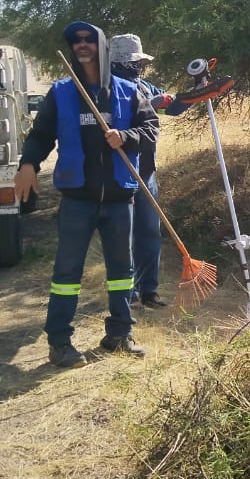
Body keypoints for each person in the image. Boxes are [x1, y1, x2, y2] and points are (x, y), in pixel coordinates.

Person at [13, 21, 159, 368]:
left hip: (119, 199)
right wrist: (29, 163)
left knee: (121, 271)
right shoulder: (62, 92)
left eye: (88, 40)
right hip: (77, 199)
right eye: (76, 40)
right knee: (67, 272)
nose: (82, 44)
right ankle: (59, 342)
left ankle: (120, 334)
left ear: (102, 46)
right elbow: (41, 133)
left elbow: (151, 128)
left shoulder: (127, 91)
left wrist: (126, 137)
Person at [109, 33, 190, 309]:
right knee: (125, 236)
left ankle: (149, 291)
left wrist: (197, 92)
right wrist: (151, 104)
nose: (138, 67)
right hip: (120, 173)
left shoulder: (144, 85)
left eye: (139, 63)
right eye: (133, 63)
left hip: (146, 172)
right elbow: (117, 123)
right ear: (118, 63)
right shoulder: (106, 90)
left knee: (150, 233)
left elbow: (173, 107)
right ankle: (128, 293)